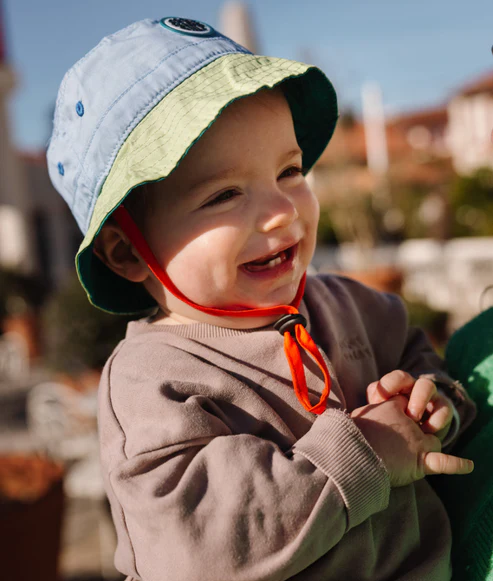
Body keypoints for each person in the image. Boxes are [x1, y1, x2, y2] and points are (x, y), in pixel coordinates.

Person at [47, 17, 477, 581]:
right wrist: (366, 452)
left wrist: (434, 405)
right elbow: (201, 548)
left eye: (289, 171)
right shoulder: (150, 381)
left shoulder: (351, 304)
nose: (282, 211)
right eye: (224, 194)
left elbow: (424, 364)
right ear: (127, 250)